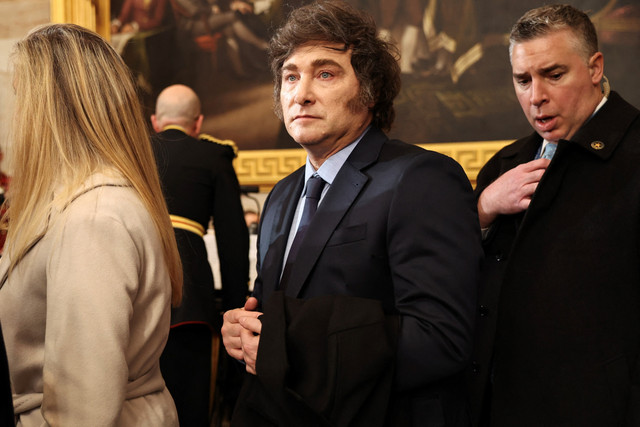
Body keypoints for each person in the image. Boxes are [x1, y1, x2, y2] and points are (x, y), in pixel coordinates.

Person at [221, 1, 482, 425]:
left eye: (325, 73)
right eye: (290, 76)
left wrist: (285, 347)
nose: (301, 93)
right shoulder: (282, 195)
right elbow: (273, 312)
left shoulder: (422, 179)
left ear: (370, 89)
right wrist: (243, 332)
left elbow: (442, 339)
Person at [0, 23, 182, 425]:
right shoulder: (83, 204)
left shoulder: (93, 218)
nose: (16, 118)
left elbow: (82, 409)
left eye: (21, 100)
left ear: (49, 109)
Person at [467, 4, 640, 426]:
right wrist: (483, 209)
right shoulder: (504, 164)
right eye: (522, 80)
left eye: (554, 74)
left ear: (595, 67)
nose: (535, 96)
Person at [151, 84, 249, 426]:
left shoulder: (134, 152)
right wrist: (235, 310)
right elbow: (233, 243)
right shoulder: (213, 156)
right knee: (191, 403)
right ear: (199, 122)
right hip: (189, 297)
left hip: (134, 288)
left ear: (154, 121)